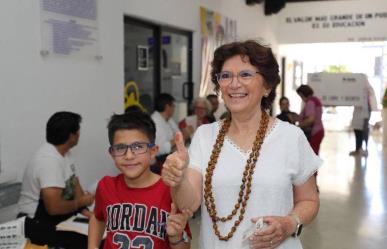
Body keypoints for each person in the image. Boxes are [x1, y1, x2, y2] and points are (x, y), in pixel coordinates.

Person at [161, 40, 322, 249]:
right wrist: (179, 179)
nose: (234, 84)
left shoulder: (291, 137)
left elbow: (309, 200)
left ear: (267, 86)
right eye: (226, 76)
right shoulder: (205, 136)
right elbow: (188, 204)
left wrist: (290, 223)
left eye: (245, 74)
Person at [88, 111, 191, 249]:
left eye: (138, 147)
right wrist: (92, 246)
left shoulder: (171, 191)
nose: (129, 156)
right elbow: (97, 217)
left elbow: (185, 246)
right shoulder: (106, 186)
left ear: (153, 151)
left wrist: (176, 237)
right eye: (120, 148)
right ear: (112, 154)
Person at [17, 111, 94, 248]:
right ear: (71, 136)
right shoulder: (48, 161)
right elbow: (54, 208)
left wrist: (87, 213)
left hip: (59, 216)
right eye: (78, 131)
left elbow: (76, 187)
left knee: (99, 232)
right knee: (89, 242)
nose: (79, 134)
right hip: (36, 222)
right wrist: (79, 203)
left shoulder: (65, 153)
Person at [151, 93, 180, 173]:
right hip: (159, 163)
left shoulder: (168, 119)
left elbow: (178, 132)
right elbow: (160, 149)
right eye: (173, 106)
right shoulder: (155, 122)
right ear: (167, 107)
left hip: (169, 157)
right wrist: (178, 139)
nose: (174, 109)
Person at [349, 78, 377, 157]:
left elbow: (371, 94)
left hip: (365, 111)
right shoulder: (355, 89)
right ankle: (358, 149)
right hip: (357, 111)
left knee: (364, 130)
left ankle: (365, 149)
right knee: (357, 130)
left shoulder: (368, 88)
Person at [296, 85, 325, 155]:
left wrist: (298, 126)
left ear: (302, 94)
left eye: (300, 96)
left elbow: (310, 119)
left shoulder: (310, 102)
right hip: (318, 130)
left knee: (311, 157)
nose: (301, 98)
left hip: (314, 132)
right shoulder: (314, 100)